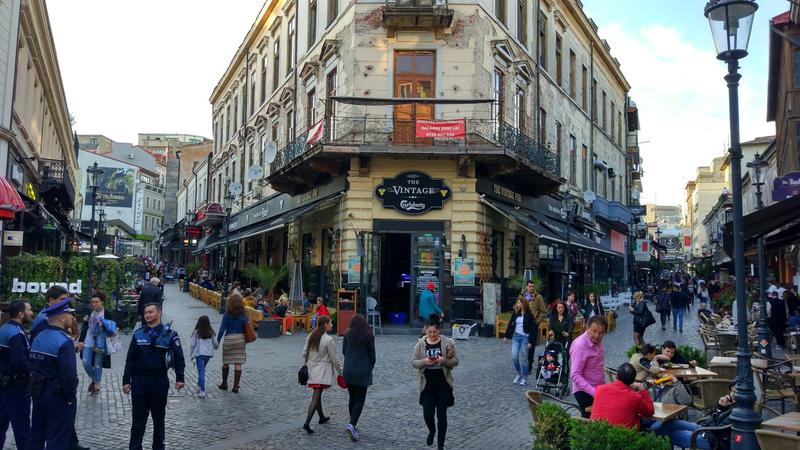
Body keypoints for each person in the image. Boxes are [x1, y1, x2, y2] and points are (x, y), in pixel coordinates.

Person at [591, 363, 715, 449]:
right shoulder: (634, 397)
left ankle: (705, 433)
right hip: (626, 439)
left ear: (617, 376)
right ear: (632, 380)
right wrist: (642, 390)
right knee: (668, 428)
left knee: (669, 425)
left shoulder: (599, 389)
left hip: (600, 436)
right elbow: (650, 411)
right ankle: (707, 437)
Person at [123, 302, 186, 450]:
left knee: (159, 420)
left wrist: (180, 378)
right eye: (145, 313)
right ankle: (135, 447)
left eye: (150, 312)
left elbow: (179, 357)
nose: (147, 315)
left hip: (159, 381)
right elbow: (130, 359)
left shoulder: (170, 335)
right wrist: (126, 381)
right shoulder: (138, 334)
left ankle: (158, 447)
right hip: (140, 382)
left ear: (159, 313)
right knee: (138, 421)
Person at [27, 298, 80, 450]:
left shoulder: (39, 336)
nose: (72, 318)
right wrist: (70, 398)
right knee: (57, 438)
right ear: (62, 317)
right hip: (58, 397)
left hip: (38, 393)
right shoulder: (64, 341)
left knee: (36, 434)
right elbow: (69, 375)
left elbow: (33, 364)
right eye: (70, 314)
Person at [412, 315, 458, 450]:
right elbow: (414, 362)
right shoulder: (420, 344)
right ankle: (432, 430)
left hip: (443, 385)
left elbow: (455, 361)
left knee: (442, 416)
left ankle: (440, 445)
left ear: (439, 331)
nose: (432, 334)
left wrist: (444, 360)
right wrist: (424, 362)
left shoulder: (447, 342)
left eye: (434, 332)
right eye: (429, 332)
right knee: (428, 414)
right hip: (427, 385)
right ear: (426, 330)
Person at [0, 300, 33, 449]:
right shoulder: (16, 333)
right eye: (29, 310)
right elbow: (20, 361)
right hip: (16, 387)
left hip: (3, 383)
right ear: (21, 314)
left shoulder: (4, 329)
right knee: (22, 429)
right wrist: (31, 372)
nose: (31, 313)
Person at [302, 316, 343, 434]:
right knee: (316, 395)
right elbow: (334, 359)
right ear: (325, 324)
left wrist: (312, 360)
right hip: (322, 371)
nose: (332, 325)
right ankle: (307, 423)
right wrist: (341, 372)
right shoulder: (328, 339)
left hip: (312, 369)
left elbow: (304, 353)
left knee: (317, 394)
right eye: (331, 323)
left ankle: (321, 417)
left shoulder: (311, 336)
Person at [342, 314, 376, 441]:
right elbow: (372, 354)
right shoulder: (368, 335)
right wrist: (369, 366)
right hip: (362, 370)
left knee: (352, 398)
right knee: (360, 400)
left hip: (349, 370)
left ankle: (352, 423)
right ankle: (352, 424)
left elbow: (344, 351)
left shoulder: (347, 334)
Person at [78, 291, 117, 395]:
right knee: (86, 363)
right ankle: (96, 381)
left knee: (97, 364)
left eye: (96, 302)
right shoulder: (90, 311)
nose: (94, 304)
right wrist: (81, 340)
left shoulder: (107, 313)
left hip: (101, 341)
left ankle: (96, 385)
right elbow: (85, 327)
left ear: (102, 302)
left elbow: (112, 328)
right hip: (89, 339)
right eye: (93, 302)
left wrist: (103, 325)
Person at [570, 315, 608, 417]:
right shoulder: (580, 346)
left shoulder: (597, 341)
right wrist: (595, 392)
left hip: (597, 388)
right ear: (587, 327)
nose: (597, 335)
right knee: (592, 421)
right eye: (594, 331)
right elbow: (575, 375)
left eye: (601, 333)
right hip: (585, 391)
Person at [217, 293, 250, 393]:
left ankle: (224, 383)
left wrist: (217, 341)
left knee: (226, 362)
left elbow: (222, 328)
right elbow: (247, 326)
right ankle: (236, 386)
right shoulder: (244, 314)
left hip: (229, 339)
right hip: (240, 339)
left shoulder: (227, 314)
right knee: (238, 363)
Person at [503, 298, 535, 386]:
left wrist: (530, 341)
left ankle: (524, 377)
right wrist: (506, 335)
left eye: (519, 302)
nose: (517, 304)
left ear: (523, 304)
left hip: (525, 337)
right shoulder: (516, 314)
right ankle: (518, 373)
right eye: (517, 302)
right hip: (516, 337)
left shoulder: (529, 315)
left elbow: (533, 329)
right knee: (514, 356)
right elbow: (510, 324)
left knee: (524, 359)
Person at [520, 280, 547, 373]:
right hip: (523, 324)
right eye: (530, 286)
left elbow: (543, 312)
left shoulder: (538, 297)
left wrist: (536, 321)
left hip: (533, 325)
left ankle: (529, 366)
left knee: (530, 346)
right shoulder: (522, 296)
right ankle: (523, 364)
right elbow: (517, 307)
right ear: (526, 287)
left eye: (533, 286)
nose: (531, 288)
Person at [190, 315, 218, 398]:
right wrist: (215, 347)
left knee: (201, 373)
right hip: (208, 355)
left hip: (199, 355)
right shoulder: (211, 331)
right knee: (202, 371)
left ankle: (202, 390)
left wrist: (192, 355)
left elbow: (192, 344)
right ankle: (199, 386)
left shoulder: (197, 332)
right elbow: (216, 344)